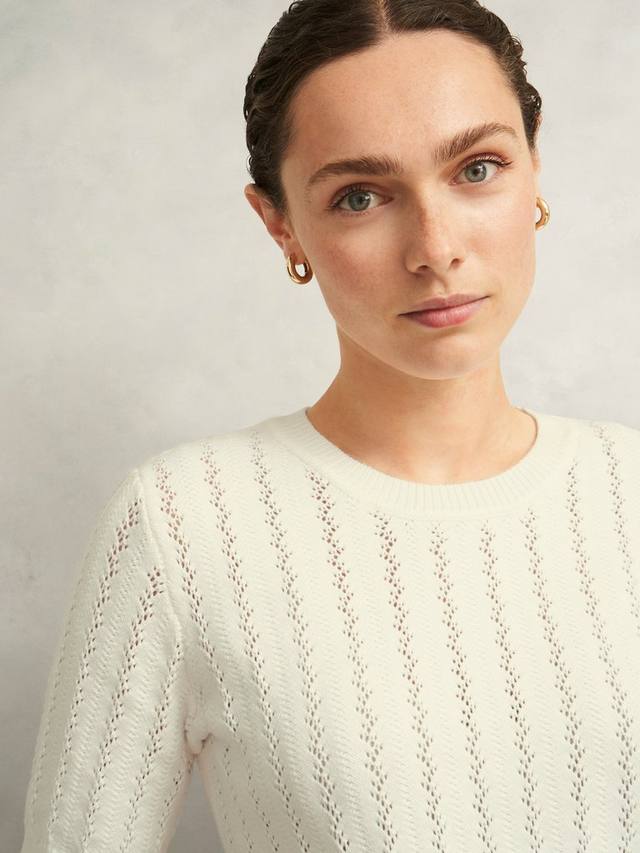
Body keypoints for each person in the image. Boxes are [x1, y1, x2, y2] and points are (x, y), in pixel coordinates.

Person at [20, 1, 640, 851]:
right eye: (360, 196)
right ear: (281, 225)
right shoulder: (183, 524)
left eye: (477, 168)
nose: (435, 248)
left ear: (535, 167)